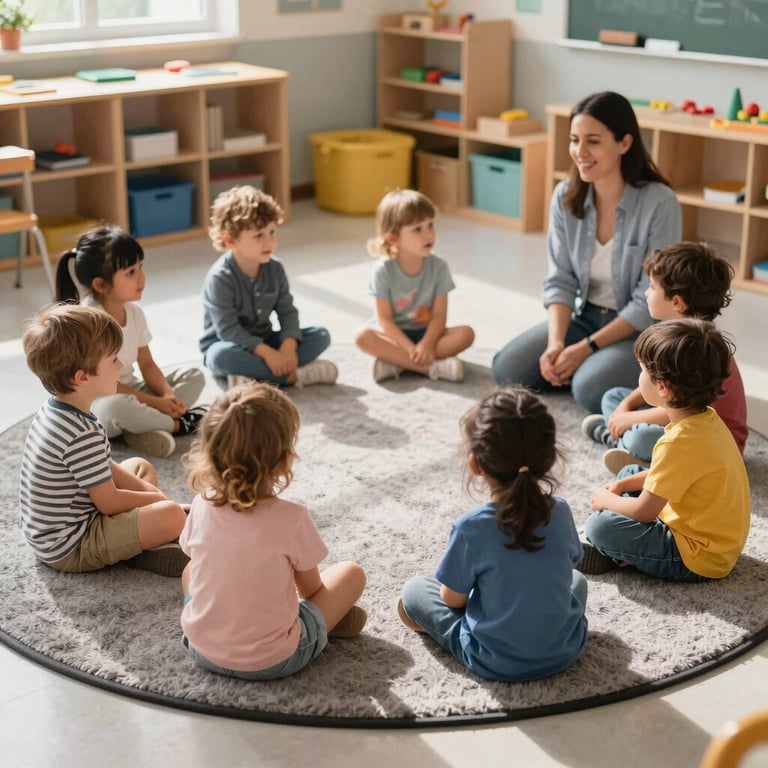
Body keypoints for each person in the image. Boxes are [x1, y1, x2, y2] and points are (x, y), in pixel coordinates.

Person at [492, 91, 682, 413]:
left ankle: (600, 373)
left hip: (639, 332)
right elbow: (560, 279)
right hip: (587, 316)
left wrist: (586, 348)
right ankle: (586, 367)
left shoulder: (659, 203)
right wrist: (557, 343)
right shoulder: (566, 197)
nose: (580, 152)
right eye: (574, 140)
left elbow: (646, 301)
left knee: (587, 387)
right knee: (507, 369)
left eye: (593, 141)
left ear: (624, 143)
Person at [398, 386, 588, 682]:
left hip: (495, 661)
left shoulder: (471, 528)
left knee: (415, 590)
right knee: (576, 582)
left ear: (475, 463)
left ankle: (485, 624)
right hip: (565, 649)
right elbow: (571, 564)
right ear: (548, 457)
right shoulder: (560, 510)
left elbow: (452, 599)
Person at [179, 382, 367, 680]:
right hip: (272, 661)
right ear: (284, 461)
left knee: (191, 570)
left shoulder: (201, 503)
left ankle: (318, 619)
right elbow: (310, 589)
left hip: (200, 648)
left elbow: (195, 558)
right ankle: (327, 621)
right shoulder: (291, 518)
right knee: (351, 573)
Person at [19, 303, 189, 577]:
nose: (121, 366)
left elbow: (103, 466)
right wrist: (159, 503)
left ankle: (138, 543)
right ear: (82, 377)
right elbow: (109, 502)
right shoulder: (80, 433)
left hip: (63, 527)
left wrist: (153, 497)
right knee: (172, 516)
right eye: (114, 361)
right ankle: (137, 549)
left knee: (139, 467)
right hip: (73, 545)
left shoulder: (59, 409)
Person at [580, 319, 750, 581]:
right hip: (716, 540)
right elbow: (672, 475)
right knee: (630, 472)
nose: (639, 377)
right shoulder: (707, 419)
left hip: (696, 556)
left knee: (600, 526)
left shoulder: (678, 444)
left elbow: (643, 512)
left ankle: (617, 554)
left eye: (642, 372)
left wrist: (605, 500)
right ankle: (624, 548)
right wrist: (624, 485)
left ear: (662, 386)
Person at [581, 242, 748, 470]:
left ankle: (626, 443)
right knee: (614, 397)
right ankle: (624, 441)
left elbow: (681, 407)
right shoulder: (675, 333)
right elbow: (662, 389)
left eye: (651, 287)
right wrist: (626, 405)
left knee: (640, 436)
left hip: (716, 443)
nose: (646, 293)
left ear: (676, 302)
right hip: (682, 419)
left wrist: (631, 419)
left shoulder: (692, 347)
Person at [56, 225, 207, 459]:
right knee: (117, 407)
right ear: (101, 285)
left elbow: (146, 364)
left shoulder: (134, 313)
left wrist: (166, 395)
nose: (141, 278)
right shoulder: (92, 321)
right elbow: (106, 385)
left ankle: (139, 429)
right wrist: (156, 403)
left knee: (194, 376)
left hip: (131, 391)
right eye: (130, 273)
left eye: (140, 268)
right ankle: (178, 425)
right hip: (99, 402)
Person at [200, 185, 338, 390]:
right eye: (258, 236)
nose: (269, 241)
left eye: (272, 232)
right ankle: (293, 377)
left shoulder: (275, 268)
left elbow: (287, 311)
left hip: (267, 339)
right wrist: (268, 354)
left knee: (321, 335)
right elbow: (228, 331)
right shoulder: (220, 278)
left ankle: (252, 378)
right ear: (230, 240)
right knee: (220, 357)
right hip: (230, 344)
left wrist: (288, 348)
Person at [354, 189, 475, 382]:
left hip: (427, 333)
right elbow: (385, 320)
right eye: (417, 229)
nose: (428, 234)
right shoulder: (383, 270)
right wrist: (410, 349)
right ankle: (431, 368)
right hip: (394, 336)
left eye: (430, 225)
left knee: (466, 334)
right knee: (362, 336)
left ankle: (396, 363)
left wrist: (426, 344)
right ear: (393, 238)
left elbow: (438, 316)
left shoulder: (439, 267)